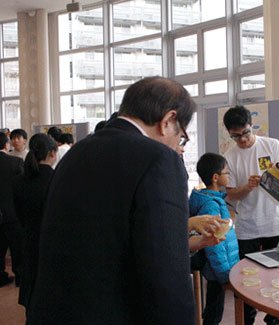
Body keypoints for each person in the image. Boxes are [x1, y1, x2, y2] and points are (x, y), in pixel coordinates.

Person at [28, 77, 197, 324]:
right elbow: (167, 274)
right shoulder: (158, 158)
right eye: (181, 136)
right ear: (168, 120)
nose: (177, 145)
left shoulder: (77, 151)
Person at [223, 105, 279, 325]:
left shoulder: (271, 145)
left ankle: (275, 319)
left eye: (245, 133)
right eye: (236, 136)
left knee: (278, 276)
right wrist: (248, 187)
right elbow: (231, 194)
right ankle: (247, 320)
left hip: (274, 222)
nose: (242, 140)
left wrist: (272, 177)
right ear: (230, 134)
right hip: (247, 227)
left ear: (252, 127)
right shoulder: (229, 156)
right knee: (246, 279)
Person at [189, 152, 239, 325]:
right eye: (226, 172)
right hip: (218, 270)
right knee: (214, 312)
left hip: (219, 269)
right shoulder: (210, 205)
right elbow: (214, 245)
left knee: (214, 309)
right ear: (216, 177)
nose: (229, 175)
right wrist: (224, 275)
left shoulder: (214, 200)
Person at [12, 133, 57, 314]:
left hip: (29, 236)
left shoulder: (19, 182)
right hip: (52, 241)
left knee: (32, 282)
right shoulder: (58, 179)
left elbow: (19, 213)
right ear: (52, 153)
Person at [0, 132, 24, 288]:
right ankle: (20, 277)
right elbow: (21, 188)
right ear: (6, 144)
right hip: (13, 213)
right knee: (17, 248)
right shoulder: (15, 162)